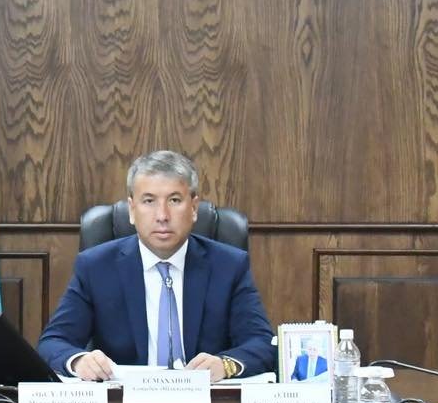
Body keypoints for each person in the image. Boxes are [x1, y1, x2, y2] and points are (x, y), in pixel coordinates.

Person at [37, 149, 277, 383]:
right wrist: (79, 361)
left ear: (194, 208)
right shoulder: (96, 267)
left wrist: (225, 365)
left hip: (207, 402)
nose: (162, 215)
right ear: (132, 210)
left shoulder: (229, 266)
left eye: (174, 200)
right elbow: (53, 342)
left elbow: (262, 343)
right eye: (149, 201)